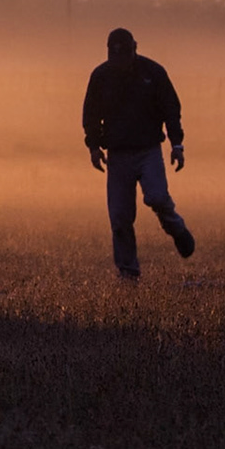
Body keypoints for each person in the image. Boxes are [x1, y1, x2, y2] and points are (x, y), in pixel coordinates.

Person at [82, 27, 194, 280]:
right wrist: (94, 147)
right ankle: (128, 272)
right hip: (117, 154)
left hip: (148, 150)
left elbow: (171, 110)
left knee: (157, 197)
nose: (120, 62)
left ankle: (175, 227)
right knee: (120, 217)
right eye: (115, 56)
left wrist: (177, 145)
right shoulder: (100, 77)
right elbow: (91, 115)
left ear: (135, 48)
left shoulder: (154, 73)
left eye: (124, 55)